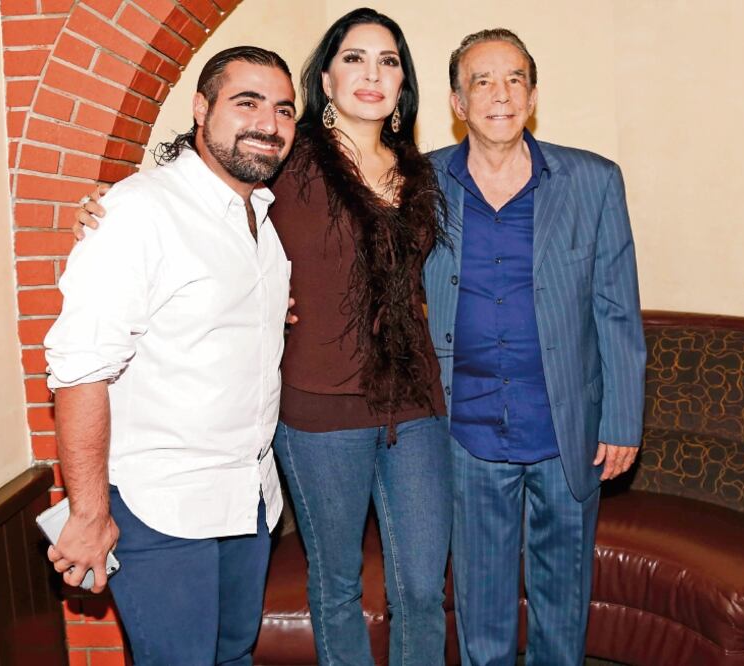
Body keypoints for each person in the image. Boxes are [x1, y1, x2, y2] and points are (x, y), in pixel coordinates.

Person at [74, 9, 452, 666]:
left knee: (422, 587)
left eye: (388, 60)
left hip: (414, 404)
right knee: (336, 586)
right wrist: (104, 205)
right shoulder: (287, 154)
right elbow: (199, 190)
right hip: (318, 409)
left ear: (403, 82)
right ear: (326, 78)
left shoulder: (420, 172)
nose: (372, 73)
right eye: (354, 58)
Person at [44, 46, 297, 665]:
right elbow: (79, 369)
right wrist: (88, 513)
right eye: (247, 103)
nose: (268, 122)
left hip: (249, 498)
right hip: (163, 507)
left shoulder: (262, 217)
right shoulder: (138, 211)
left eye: (284, 109)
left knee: (234, 654)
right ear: (201, 108)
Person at [422, 29, 646, 666]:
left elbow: (616, 308)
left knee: (562, 608)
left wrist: (622, 418)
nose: (500, 94)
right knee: (481, 614)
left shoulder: (594, 182)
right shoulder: (420, 184)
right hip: (466, 434)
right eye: (482, 82)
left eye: (514, 79)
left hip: (568, 433)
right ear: (458, 102)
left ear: (534, 94)